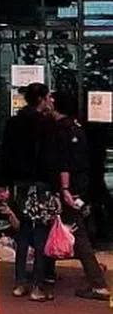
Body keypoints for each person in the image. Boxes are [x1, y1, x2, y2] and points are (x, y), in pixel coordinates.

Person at [0, 82, 58, 302]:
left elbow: (5, 153)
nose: (50, 101)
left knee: (23, 231)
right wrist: (56, 188)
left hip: (21, 183)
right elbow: (51, 157)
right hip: (41, 184)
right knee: (41, 233)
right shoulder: (46, 124)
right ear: (41, 99)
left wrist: (5, 182)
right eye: (48, 97)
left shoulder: (14, 122)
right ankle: (37, 286)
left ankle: (20, 282)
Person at [50, 91, 111, 301]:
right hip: (80, 188)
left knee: (77, 233)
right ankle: (47, 270)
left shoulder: (60, 130)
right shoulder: (77, 128)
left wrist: (65, 189)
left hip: (68, 190)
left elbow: (64, 163)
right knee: (63, 227)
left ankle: (97, 283)